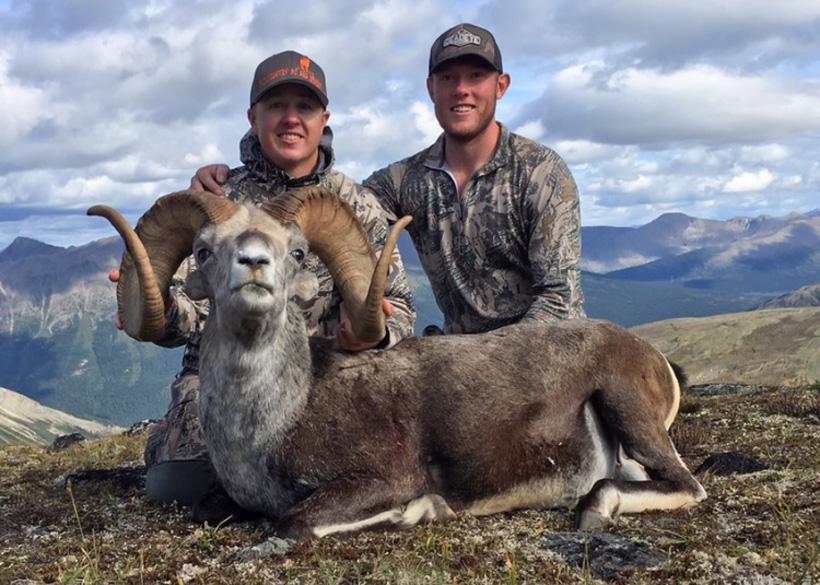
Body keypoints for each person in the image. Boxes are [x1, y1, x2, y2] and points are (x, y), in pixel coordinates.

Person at [120, 51, 416, 511]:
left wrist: (375, 333)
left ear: (324, 119)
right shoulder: (216, 199)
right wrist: (152, 306)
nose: (291, 118)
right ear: (253, 116)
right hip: (222, 375)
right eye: (277, 106)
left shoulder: (355, 205)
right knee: (177, 488)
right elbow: (187, 308)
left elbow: (396, 303)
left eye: (305, 107)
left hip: (323, 377)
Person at [193, 23, 584, 336]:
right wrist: (211, 190)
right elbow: (342, 214)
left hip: (540, 354)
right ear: (431, 89)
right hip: (461, 364)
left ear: (501, 85)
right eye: (448, 78)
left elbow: (559, 300)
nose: (461, 89)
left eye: (476, 76)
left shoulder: (542, 173)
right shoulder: (402, 182)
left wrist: (486, 367)